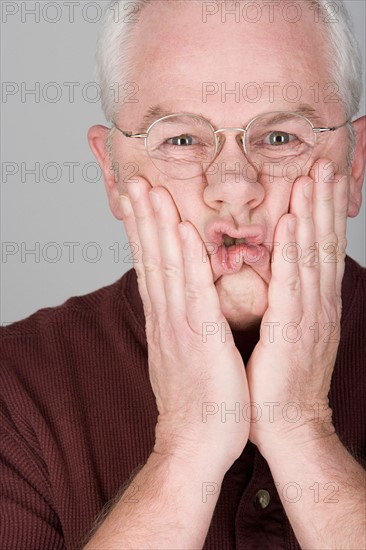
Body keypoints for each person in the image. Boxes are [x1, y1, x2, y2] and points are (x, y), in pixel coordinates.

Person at [1, 0, 365, 548]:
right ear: (114, 175)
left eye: (281, 137)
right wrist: (186, 444)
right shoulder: (15, 387)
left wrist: (301, 427)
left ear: (354, 167)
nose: (235, 184)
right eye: (181, 139)